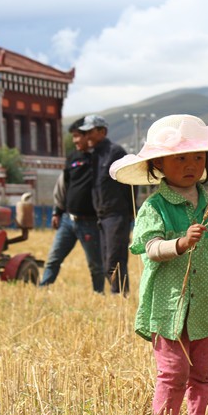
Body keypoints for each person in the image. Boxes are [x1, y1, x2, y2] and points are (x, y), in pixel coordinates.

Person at [108, 114, 208, 415]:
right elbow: (150, 249)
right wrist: (181, 244)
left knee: (201, 374)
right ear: (158, 163)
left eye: (198, 158)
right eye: (180, 158)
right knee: (173, 374)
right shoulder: (154, 207)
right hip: (168, 307)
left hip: (204, 306)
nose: (191, 165)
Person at [38, 118, 106, 292]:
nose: (75, 141)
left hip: (90, 223)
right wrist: (57, 212)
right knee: (53, 259)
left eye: (77, 136)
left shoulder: (100, 158)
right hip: (67, 221)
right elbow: (63, 186)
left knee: (95, 264)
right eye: (73, 137)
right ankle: (43, 289)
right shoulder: (73, 158)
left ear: (87, 136)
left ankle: (99, 294)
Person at [78, 115, 134, 296]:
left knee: (114, 259)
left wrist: (130, 214)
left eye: (90, 132)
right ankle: (117, 293)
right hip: (101, 216)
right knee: (105, 261)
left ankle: (120, 296)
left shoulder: (115, 153)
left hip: (116, 215)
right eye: (85, 132)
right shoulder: (93, 155)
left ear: (102, 131)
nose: (87, 136)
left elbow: (130, 183)